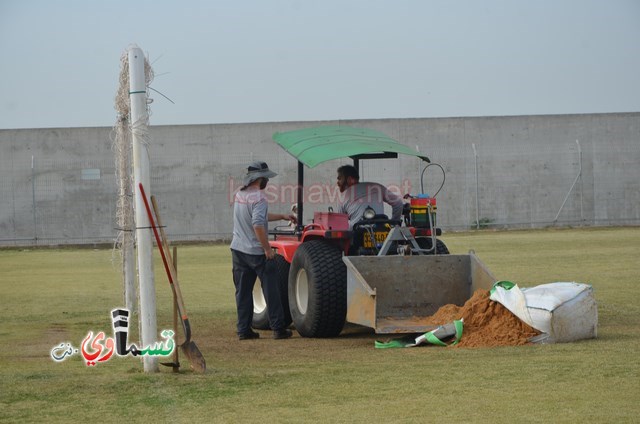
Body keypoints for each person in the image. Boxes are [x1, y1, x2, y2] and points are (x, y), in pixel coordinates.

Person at [230, 161, 296, 340]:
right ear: (260, 178)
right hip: (256, 252)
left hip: (238, 249)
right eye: (266, 177)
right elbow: (258, 224)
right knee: (271, 289)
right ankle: (278, 329)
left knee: (242, 292)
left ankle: (243, 330)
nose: (268, 181)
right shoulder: (259, 198)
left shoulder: (239, 194)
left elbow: (257, 216)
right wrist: (267, 249)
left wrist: (281, 216)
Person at [336, 164, 403, 229]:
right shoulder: (377, 187)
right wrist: (393, 224)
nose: (338, 183)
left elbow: (340, 223)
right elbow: (398, 203)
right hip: (381, 229)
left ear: (350, 179)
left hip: (357, 234)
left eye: (339, 179)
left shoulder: (343, 196)